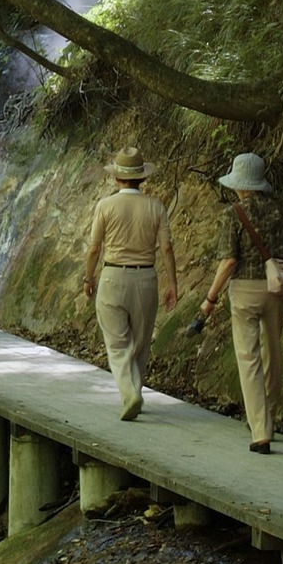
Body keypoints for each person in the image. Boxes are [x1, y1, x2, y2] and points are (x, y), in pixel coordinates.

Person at [199, 151, 283, 453]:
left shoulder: (232, 214)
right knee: (273, 351)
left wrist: (210, 298)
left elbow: (230, 261)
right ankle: (269, 414)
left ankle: (260, 430)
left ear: (239, 184)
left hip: (244, 290)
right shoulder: (280, 211)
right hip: (277, 291)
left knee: (248, 358)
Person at [82, 146, 178, 422]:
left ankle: (130, 392)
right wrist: (172, 282)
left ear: (116, 179)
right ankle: (134, 390)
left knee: (117, 342)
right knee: (140, 342)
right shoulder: (156, 206)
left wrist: (88, 278)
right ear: (142, 179)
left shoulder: (105, 206)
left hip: (113, 277)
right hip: (146, 278)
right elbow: (167, 247)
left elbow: (94, 249)